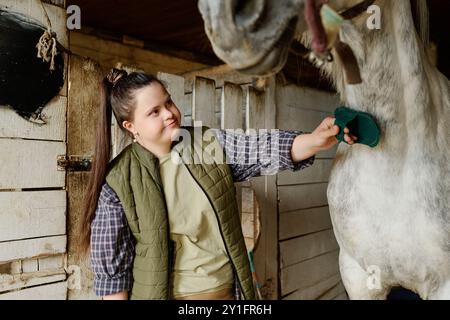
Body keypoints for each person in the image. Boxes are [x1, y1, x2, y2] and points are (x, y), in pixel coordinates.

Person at [78, 68, 357, 300]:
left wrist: (315, 140)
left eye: (168, 102)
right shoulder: (118, 181)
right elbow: (113, 274)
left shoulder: (207, 143)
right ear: (131, 127)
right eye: (154, 112)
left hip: (230, 294)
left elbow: (259, 149)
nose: (169, 114)